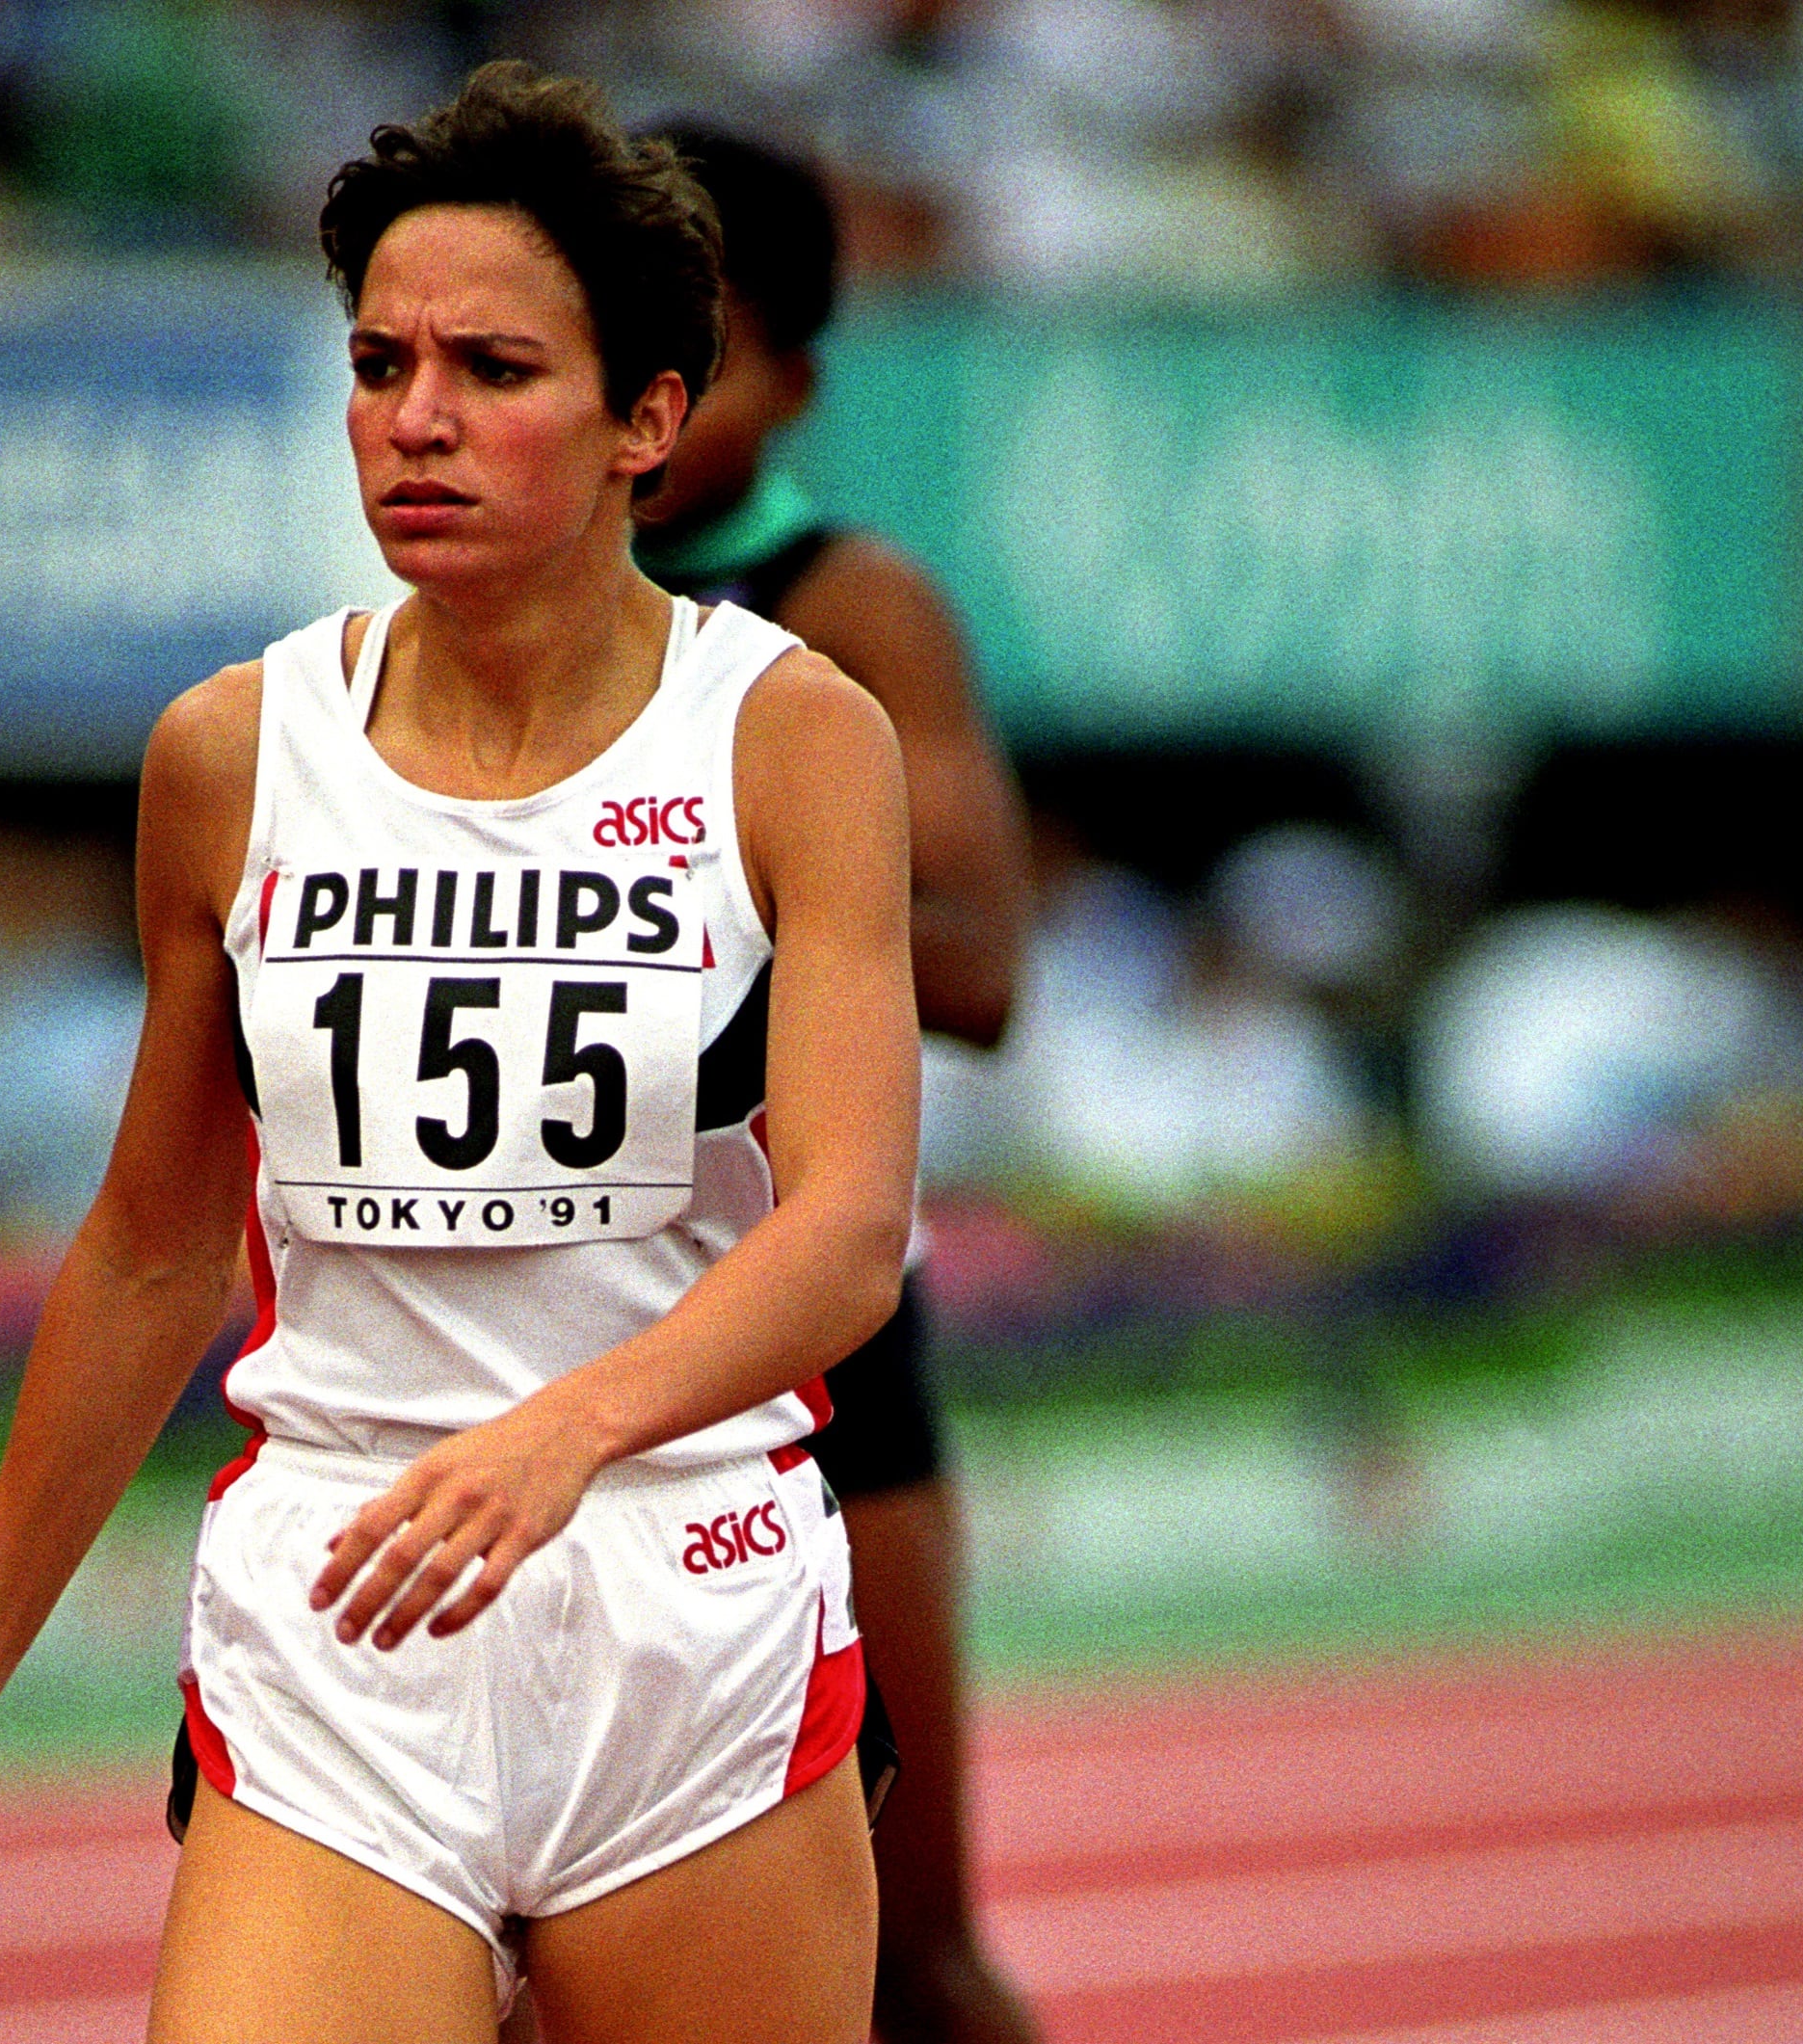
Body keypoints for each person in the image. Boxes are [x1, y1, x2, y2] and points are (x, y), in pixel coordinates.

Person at [0, 63, 920, 2044]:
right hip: (345, 1604)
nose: (418, 416)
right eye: (384, 359)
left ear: (646, 419)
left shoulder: (787, 734)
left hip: (684, 1587)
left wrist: (570, 1427)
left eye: (494, 367)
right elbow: (150, 1253)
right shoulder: (234, 754)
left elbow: (847, 1229)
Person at [632, 126, 1038, 2044]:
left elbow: (984, 971)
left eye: (695, 340)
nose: (649, 380)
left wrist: (720, 853)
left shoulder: (850, 607)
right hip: (551, 1345)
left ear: (794, 374)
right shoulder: (467, 615)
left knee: (911, 1971)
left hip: (820, 1352)